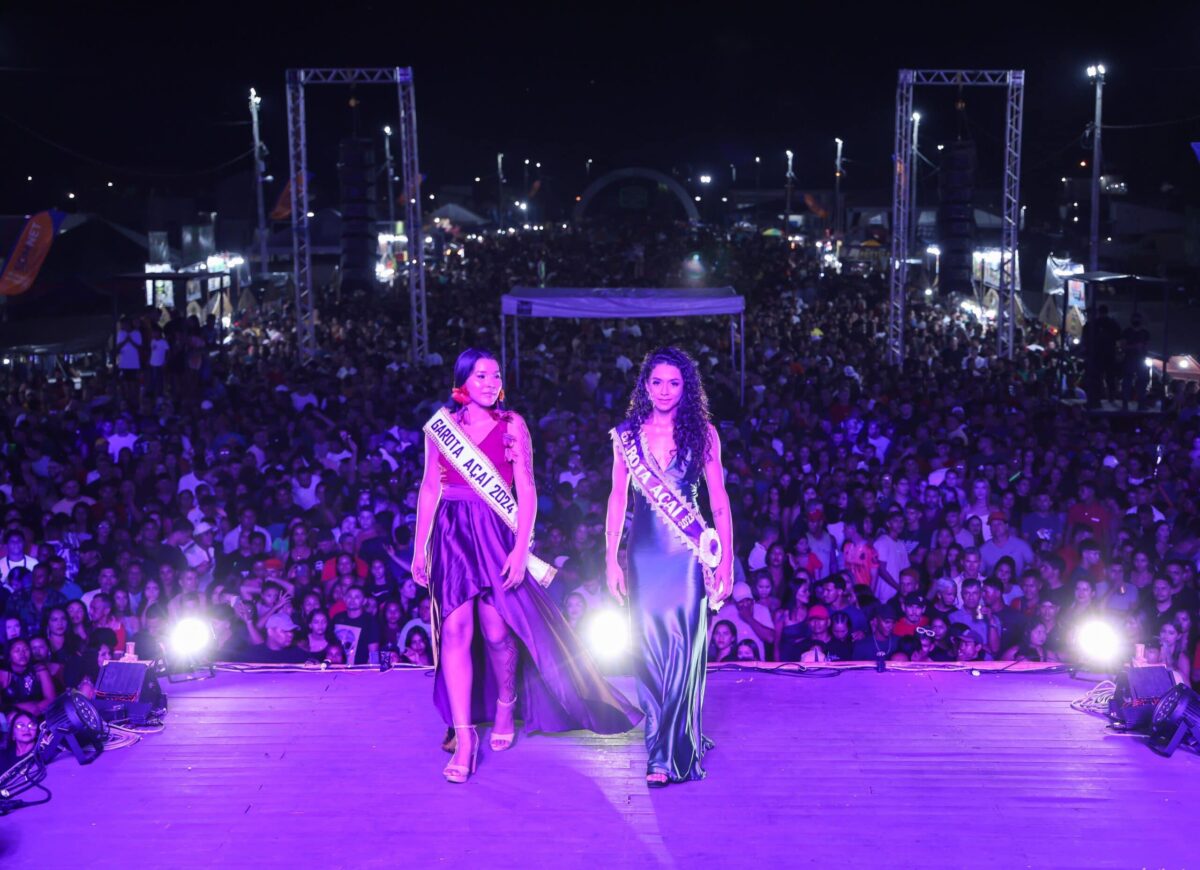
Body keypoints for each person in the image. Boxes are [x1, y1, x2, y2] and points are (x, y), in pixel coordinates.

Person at [413, 348, 639, 785]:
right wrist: (419, 547)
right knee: (456, 631)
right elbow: (428, 488)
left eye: (495, 375)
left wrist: (520, 549)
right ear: (462, 380)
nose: (490, 382)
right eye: (480, 375)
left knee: (498, 633)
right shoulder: (441, 427)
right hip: (452, 534)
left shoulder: (512, 424)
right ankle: (464, 738)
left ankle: (505, 703)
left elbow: (528, 490)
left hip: (496, 533)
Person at [606, 347, 734, 787]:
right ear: (644, 385)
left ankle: (665, 753)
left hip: (686, 557)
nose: (664, 390)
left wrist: (727, 561)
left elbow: (718, 501)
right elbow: (617, 500)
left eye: (674, 383)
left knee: (682, 646)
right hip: (643, 556)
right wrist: (611, 559)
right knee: (646, 650)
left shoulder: (705, 435)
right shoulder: (626, 436)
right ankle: (666, 732)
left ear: (687, 388)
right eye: (656, 382)